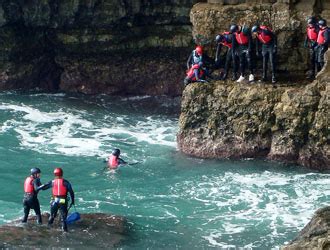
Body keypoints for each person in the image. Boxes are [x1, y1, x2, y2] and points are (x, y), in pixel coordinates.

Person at [43, 168, 75, 232]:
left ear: (54, 174)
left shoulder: (52, 182)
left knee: (52, 216)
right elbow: (71, 192)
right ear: (62, 174)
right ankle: (65, 232)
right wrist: (72, 201)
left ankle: (48, 228)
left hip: (54, 201)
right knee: (63, 219)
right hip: (63, 202)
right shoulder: (66, 182)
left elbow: (44, 188)